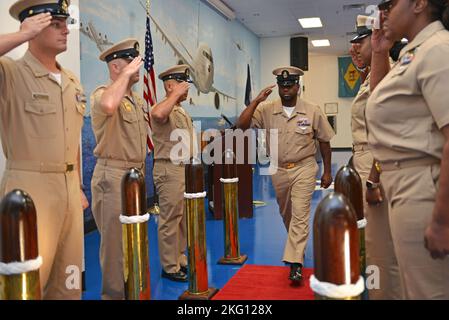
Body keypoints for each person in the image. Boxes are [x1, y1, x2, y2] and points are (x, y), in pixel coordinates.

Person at [0, 0, 88, 299]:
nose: (66, 30)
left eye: (66, 23)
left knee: (70, 279)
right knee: (27, 281)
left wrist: (77, 187)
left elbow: (72, 139)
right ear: (33, 26)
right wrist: (20, 35)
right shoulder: (10, 73)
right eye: (56, 23)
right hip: (30, 190)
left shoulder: (71, 81)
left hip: (69, 191)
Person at [366, 0, 449, 299]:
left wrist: (442, 221)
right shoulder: (412, 53)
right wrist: (379, 51)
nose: (384, 11)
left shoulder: (438, 49)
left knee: (430, 292)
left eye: (391, 3)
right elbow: (382, 104)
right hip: (404, 186)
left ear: (419, 4)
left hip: (424, 190)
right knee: (415, 289)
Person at [237, 66, 335, 282]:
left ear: (297, 87)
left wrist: (327, 171)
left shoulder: (312, 110)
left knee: (300, 213)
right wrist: (255, 101)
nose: (286, 89)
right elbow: (241, 126)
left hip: (305, 167)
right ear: (278, 88)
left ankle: (295, 262)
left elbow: (325, 142)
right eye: (282, 86)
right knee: (287, 214)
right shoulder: (266, 109)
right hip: (278, 169)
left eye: (290, 85)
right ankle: (297, 246)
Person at [349, 15, 402, 300]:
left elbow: (386, 130)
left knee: (381, 246)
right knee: (374, 241)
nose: (353, 48)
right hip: (365, 164)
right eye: (353, 43)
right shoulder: (370, 76)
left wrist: (373, 178)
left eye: (359, 42)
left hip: (376, 168)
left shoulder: (387, 74)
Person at [90, 38, 147, 300]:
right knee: (114, 248)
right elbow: (108, 106)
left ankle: (134, 293)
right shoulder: (102, 93)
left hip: (135, 176)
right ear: (116, 67)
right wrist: (123, 76)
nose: (138, 67)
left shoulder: (135, 100)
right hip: (112, 177)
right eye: (131, 62)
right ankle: (113, 296)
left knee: (136, 241)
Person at [150, 64, 194, 282]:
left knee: (182, 218)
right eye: (182, 85)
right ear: (170, 86)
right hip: (168, 168)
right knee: (170, 219)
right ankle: (169, 266)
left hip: (183, 168)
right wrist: (175, 94)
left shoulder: (180, 110)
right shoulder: (162, 108)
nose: (187, 90)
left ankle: (180, 258)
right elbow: (158, 114)